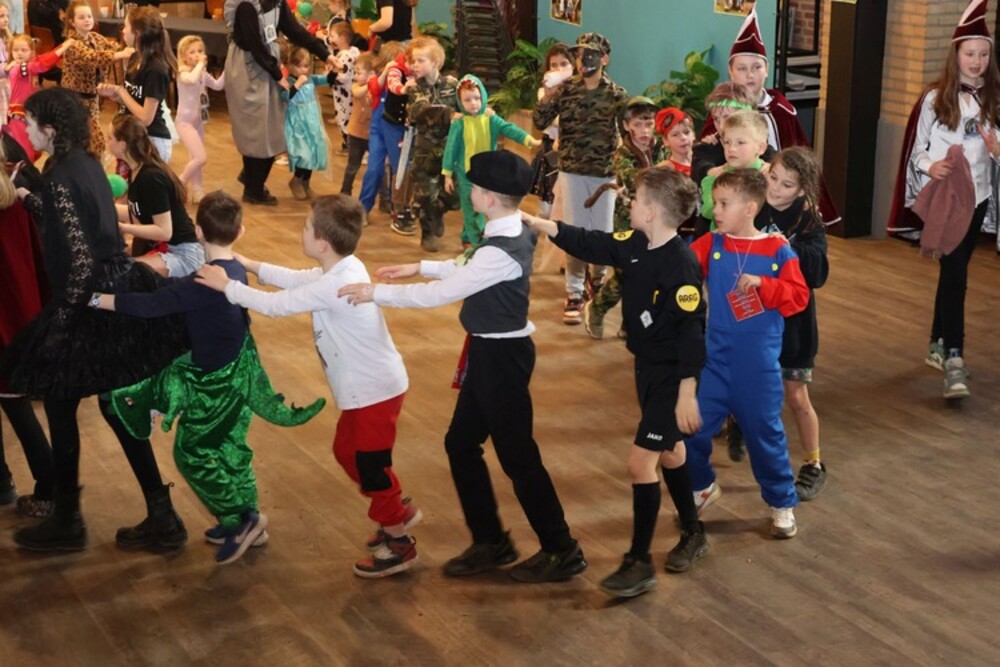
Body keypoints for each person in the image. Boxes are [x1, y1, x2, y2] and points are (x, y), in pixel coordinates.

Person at [339, 151, 588, 584]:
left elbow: (442, 293)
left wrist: (375, 293)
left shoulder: (503, 248)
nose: (469, 190)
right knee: (461, 443)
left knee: (518, 456)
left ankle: (561, 548)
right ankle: (491, 541)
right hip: (490, 354)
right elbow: (468, 263)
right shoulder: (510, 228)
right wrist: (419, 266)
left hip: (502, 360)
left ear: (489, 198)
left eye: (475, 186)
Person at [0, 88, 188, 552]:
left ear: (50, 130)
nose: (24, 130)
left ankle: (71, 520)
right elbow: (80, 227)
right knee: (102, 405)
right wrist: (30, 199)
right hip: (112, 285)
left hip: (93, 298)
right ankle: (154, 513)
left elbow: (81, 262)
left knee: (71, 402)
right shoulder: (82, 163)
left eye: (31, 123)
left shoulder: (61, 176)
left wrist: (62, 321)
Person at [95, 191, 326, 564]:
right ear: (241, 231)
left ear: (199, 231)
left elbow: (151, 306)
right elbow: (175, 293)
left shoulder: (202, 284)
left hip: (216, 385)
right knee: (230, 447)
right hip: (239, 371)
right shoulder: (232, 271)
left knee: (192, 454)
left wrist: (97, 300)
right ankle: (244, 516)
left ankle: (242, 520)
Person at [195, 195, 420, 577]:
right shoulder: (341, 268)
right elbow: (299, 279)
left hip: (375, 391)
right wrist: (250, 265)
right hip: (366, 390)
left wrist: (226, 286)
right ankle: (396, 509)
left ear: (322, 243)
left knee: (371, 466)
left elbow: (277, 306)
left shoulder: (337, 282)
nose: (302, 230)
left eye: (305, 227)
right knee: (346, 451)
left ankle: (399, 542)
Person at [523, 165, 709, 598]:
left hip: (671, 376)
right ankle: (694, 531)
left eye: (637, 199)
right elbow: (594, 243)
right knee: (671, 451)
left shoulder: (681, 264)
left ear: (653, 211)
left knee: (640, 463)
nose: (630, 203)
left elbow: (692, 332)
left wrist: (687, 393)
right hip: (646, 366)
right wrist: (541, 223)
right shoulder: (636, 243)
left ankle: (638, 562)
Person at [684, 169, 809, 539]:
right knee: (689, 429)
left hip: (759, 367)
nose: (716, 211)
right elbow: (679, 267)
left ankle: (781, 502)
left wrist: (765, 285)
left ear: (750, 208)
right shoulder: (711, 244)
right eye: (715, 203)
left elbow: (799, 297)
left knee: (765, 438)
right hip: (715, 363)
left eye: (724, 204)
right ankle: (701, 486)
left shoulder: (778, 250)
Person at [888, 0, 999, 400]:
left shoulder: (995, 98)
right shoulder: (935, 99)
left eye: (984, 54)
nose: (977, 61)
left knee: (955, 271)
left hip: (979, 197)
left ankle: (937, 342)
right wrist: (931, 165)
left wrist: (996, 148)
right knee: (956, 275)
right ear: (956, 55)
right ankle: (954, 357)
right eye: (970, 54)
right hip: (947, 200)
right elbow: (915, 151)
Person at [700, 6, 840, 226]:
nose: (750, 75)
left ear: (766, 69)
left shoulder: (782, 110)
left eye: (756, 67)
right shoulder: (721, 110)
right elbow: (703, 158)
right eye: (742, 68)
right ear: (731, 71)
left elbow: (792, 157)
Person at [533, 32, 628, 325]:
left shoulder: (616, 95)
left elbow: (627, 134)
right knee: (574, 232)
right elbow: (539, 122)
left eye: (590, 54)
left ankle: (596, 281)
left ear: (604, 59)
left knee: (602, 233)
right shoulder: (566, 90)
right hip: (572, 171)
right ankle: (574, 291)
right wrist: (548, 95)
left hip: (604, 174)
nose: (582, 60)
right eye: (578, 54)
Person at [756, 147, 829, 500]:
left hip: (794, 325)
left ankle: (813, 463)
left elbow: (818, 272)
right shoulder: (753, 204)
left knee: (796, 396)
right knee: (749, 385)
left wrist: (787, 249)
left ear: (801, 190)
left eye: (786, 185)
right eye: (773, 178)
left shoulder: (809, 222)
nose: (775, 188)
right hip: (755, 318)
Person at [223, 0, 336, 205]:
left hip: (267, 64)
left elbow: (295, 31)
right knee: (257, 128)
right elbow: (255, 46)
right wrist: (277, 75)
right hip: (249, 68)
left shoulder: (276, 3)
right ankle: (253, 188)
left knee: (273, 127)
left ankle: (251, 178)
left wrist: (325, 54)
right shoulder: (247, 6)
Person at [0, 143, 55, 517]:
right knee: (15, 404)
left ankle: (51, 490)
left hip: (5, 326)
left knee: (18, 409)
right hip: (21, 320)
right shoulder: (16, 204)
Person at [582, 96, 666, 340]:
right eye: (638, 125)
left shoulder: (661, 148)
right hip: (627, 219)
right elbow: (634, 179)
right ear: (627, 126)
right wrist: (666, 169)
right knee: (625, 272)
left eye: (649, 124)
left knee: (649, 274)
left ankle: (630, 322)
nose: (644, 131)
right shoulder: (623, 153)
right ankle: (597, 308)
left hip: (657, 217)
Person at [443, 74, 539, 248]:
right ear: (460, 102)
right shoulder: (459, 124)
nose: (473, 103)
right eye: (467, 100)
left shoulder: (491, 119)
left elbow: (508, 129)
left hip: (486, 175)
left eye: (477, 98)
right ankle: (477, 243)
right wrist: (447, 174)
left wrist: (529, 140)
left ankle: (468, 236)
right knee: (471, 207)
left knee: (479, 207)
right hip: (466, 175)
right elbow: (451, 149)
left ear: (483, 97)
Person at [108, 114, 204, 278]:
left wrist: (123, 228)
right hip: (166, 247)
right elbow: (137, 214)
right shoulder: (136, 170)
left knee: (121, 273)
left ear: (122, 145)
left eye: (110, 138)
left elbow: (164, 231)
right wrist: (103, 208)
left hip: (183, 254)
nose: (107, 142)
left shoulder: (151, 178)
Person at [396, 36, 458, 252]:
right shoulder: (414, 88)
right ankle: (428, 233)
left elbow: (469, 103)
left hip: (450, 148)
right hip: (425, 149)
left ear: (436, 63)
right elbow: (420, 111)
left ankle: (440, 210)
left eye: (420, 60)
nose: (415, 65)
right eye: (412, 61)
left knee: (455, 194)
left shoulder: (453, 85)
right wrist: (450, 114)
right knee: (425, 194)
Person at [97, 7, 176, 163]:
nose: (123, 31)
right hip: (135, 137)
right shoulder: (135, 58)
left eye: (126, 26)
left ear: (137, 33)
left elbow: (146, 118)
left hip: (152, 141)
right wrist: (116, 96)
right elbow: (134, 100)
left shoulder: (156, 69)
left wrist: (121, 91)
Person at [60, 0, 133, 159]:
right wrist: (120, 54)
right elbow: (92, 57)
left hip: (92, 97)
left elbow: (112, 47)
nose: (87, 20)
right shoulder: (72, 44)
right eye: (81, 17)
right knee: (92, 138)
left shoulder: (95, 37)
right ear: (72, 22)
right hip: (76, 98)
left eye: (89, 16)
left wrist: (128, 46)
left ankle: (88, 164)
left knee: (90, 137)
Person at [2, 33, 74, 165]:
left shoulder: (25, 66)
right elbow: (43, 64)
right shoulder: (20, 68)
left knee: (28, 150)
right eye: (15, 50)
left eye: (23, 50)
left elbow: (43, 59)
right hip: (19, 117)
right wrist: (64, 47)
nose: (19, 53)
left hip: (25, 115)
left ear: (31, 52)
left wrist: (62, 46)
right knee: (24, 152)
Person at [359, 40, 409, 223]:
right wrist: (387, 71)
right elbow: (374, 88)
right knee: (374, 169)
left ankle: (399, 210)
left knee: (399, 170)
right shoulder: (376, 79)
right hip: (378, 130)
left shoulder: (403, 80)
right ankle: (363, 208)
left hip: (396, 129)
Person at [175, 35, 225, 204]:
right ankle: (179, 183)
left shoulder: (201, 73)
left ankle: (198, 191)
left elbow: (218, 85)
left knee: (195, 159)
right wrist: (200, 65)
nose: (197, 55)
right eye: (192, 52)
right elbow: (191, 80)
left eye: (200, 51)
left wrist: (230, 67)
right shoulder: (183, 73)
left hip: (198, 124)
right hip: (185, 123)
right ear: (183, 56)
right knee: (200, 158)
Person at [699, 110, 769, 224]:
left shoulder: (771, 178)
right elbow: (708, 211)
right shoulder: (714, 178)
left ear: (761, 148)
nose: (731, 148)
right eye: (727, 142)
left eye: (740, 142)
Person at [530, 42, 574, 220]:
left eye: (564, 64)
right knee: (546, 208)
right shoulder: (545, 92)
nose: (558, 69)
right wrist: (550, 95)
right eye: (553, 65)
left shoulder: (578, 92)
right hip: (551, 151)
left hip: (572, 153)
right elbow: (544, 121)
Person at [281, 46, 332, 200]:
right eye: (300, 66)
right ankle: (296, 181)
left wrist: (333, 71)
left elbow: (328, 80)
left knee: (314, 151)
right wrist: (297, 84)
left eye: (306, 66)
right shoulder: (288, 81)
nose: (304, 70)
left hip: (312, 121)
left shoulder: (310, 79)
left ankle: (306, 183)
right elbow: (285, 96)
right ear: (291, 66)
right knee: (304, 154)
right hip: (298, 124)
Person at [341, 52, 376, 196]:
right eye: (355, 72)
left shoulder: (375, 90)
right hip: (355, 134)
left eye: (359, 73)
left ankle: (383, 197)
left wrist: (374, 86)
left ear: (371, 74)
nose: (355, 76)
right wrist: (370, 84)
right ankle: (345, 191)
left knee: (376, 166)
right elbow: (358, 93)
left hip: (371, 135)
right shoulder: (356, 86)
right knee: (352, 166)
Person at [327, 21, 361, 152]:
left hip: (344, 95)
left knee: (343, 118)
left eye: (332, 36)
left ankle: (349, 145)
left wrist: (331, 75)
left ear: (341, 38)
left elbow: (342, 76)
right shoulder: (352, 52)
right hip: (347, 93)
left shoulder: (345, 57)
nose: (330, 39)